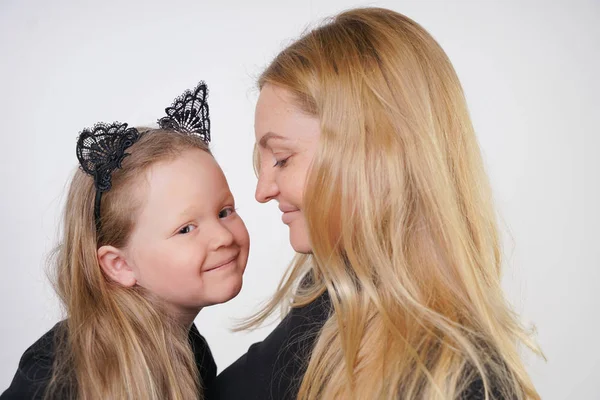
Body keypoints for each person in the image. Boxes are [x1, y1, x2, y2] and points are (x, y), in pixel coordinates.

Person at [215, 8, 542, 400]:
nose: (263, 190)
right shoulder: (331, 299)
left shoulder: (466, 386)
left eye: (282, 159)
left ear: (372, 154)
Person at [1, 82, 250, 399]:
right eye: (186, 228)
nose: (223, 236)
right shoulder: (58, 370)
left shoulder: (192, 352)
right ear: (119, 264)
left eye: (224, 211)